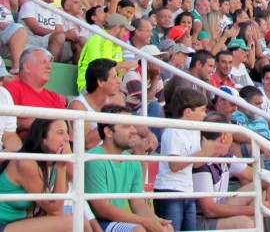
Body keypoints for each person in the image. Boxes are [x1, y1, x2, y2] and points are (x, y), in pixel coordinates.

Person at [85, 104, 173, 232]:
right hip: (94, 224)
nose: (134, 130)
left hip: (116, 222)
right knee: (137, 230)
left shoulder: (132, 161)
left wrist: (155, 221)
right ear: (108, 132)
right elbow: (102, 209)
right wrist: (145, 222)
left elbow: (138, 203)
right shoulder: (93, 159)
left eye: (133, 125)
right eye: (126, 126)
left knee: (167, 229)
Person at [193, 112, 270, 230]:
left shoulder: (225, 157)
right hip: (201, 220)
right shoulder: (201, 164)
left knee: (258, 184)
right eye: (232, 134)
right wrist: (250, 210)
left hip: (218, 209)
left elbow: (256, 176)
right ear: (224, 137)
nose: (233, 137)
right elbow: (209, 210)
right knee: (245, 223)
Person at [0, 118, 77, 232]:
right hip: (3, 224)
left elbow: (74, 177)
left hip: (17, 222)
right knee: (75, 223)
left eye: (67, 132)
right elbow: (55, 210)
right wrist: (61, 167)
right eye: (60, 133)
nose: (67, 138)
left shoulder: (52, 162)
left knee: (74, 220)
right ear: (42, 139)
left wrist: (64, 163)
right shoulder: (26, 162)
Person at [154, 88, 212, 232]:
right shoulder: (173, 131)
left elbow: (196, 164)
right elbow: (174, 165)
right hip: (168, 191)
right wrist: (203, 152)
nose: (205, 115)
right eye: (202, 110)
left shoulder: (195, 130)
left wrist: (212, 150)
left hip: (187, 190)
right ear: (188, 112)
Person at [4, 48, 66, 138]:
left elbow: (66, 126)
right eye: (43, 62)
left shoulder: (55, 97)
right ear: (27, 67)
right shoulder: (11, 89)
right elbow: (3, 123)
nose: (49, 67)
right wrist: (31, 123)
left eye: (49, 63)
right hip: (25, 147)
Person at [68, 58, 122, 150]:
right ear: (100, 82)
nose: (118, 81)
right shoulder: (78, 105)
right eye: (114, 77)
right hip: (89, 159)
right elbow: (87, 144)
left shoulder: (116, 100)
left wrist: (148, 134)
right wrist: (109, 117)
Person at [77, 14, 138, 93]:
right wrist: (124, 64)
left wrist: (129, 68)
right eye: (125, 30)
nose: (126, 34)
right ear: (117, 28)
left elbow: (118, 73)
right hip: (90, 86)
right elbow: (98, 68)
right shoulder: (97, 39)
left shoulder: (117, 46)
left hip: (109, 86)